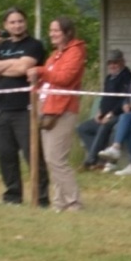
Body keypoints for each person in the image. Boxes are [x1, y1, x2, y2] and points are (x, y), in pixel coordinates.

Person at [0, 8, 47, 206]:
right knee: (5, 155)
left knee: (32, 155)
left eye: (20, 21)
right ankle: (12, 196)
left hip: (25, 108)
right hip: (2, 109)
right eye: (12, 22)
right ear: (6, 25)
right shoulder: (1, 46)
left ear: (25, 23)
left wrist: (1, 67)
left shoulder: (34, 45)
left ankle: (41, 198)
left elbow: (23, 68)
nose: (17, 25)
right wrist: (12, 62)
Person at [26, 17, 87, 213]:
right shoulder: (55, 55)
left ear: (67, 32)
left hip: (64, 109)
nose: (51, 34)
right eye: (51, 30)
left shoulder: (75, 52)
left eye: (56, 31)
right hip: (48, 108)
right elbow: (48, 79)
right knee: (51, 159)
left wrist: (40, 71)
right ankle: (59, 203)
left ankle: (73, 201)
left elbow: (65, 78)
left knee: (56, 159)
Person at [77, 49, 131, 169]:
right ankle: (100, 160)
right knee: (83, 128)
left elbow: (124, 99)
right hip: (105, 114)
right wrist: (99, 111)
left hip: (119, 115)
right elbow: (105, 97)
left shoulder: (127, 77)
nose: (112, 66)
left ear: (122, 62)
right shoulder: (108, 78)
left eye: (115, 62)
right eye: (110, 63)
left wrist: (111, 114)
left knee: (105, 125)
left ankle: (91, 160)